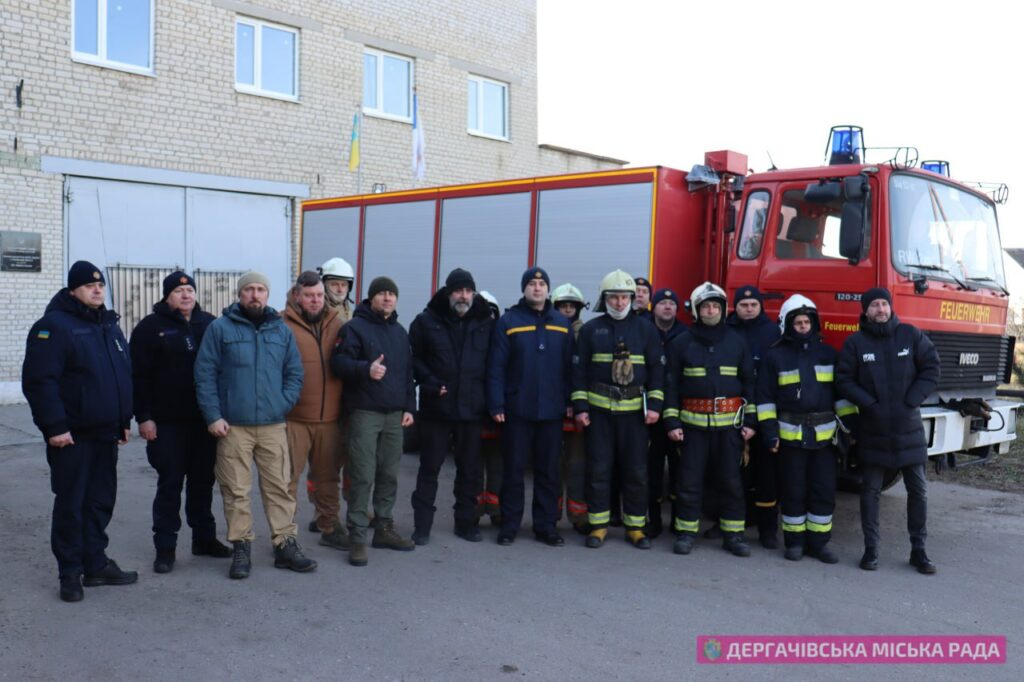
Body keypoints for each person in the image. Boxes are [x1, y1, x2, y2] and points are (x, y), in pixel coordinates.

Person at [23, 260, 138, 602]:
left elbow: (121, 377)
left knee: (100, 501)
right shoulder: (53, 327)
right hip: (71, 436)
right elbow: (40, 381)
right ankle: (70, 572)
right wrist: (55, 427)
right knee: (72, 503)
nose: (98, 289)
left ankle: (96, 564)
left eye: (101, 285)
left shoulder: (110, 327)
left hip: (105, 434)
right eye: (89, 285)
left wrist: (122, 421)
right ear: (73, 290)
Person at [194, 271, 316, 579]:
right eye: (249, 289)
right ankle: (241, 547)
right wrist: (213, 416)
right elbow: (205, 374)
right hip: (233, 427)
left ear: (268, 294)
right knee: (236, 490)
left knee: (280, 489)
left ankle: (285, 545)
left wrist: (282, 404)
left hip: (273, 425)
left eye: (261, 289)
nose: (255, 294)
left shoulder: (281, 330)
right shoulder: (219, 329)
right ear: (240, 293)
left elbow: (294, 373)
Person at [130, 271, 230, 575]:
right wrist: (144, 417)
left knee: (203, 483)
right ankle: (166, 547)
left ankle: (204, 538)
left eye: (190, 290)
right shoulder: (150, 328)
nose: (186, 295)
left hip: (204, 422)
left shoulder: (210, 324)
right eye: (178, 291)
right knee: (170, 484)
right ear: (166, 296)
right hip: (167, 423)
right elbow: (139, 377)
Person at [836, 287, 940, 574]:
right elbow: (843, 380)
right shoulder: (855, 343)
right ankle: (871, 550)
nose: (880, 309)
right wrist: (869, 404)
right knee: (870, 492)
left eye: (884, 304)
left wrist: (912, 400)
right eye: (874, 306)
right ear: (865, 311)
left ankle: (919, 551)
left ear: (890, 307)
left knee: (918, 492)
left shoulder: (911, 335)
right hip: (874, 431)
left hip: (909, 431)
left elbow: (931, 367)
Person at [757, 295, 853, 564]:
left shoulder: (828, 354)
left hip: (824, 440)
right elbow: (764, 399)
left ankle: (819, 544)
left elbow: (841, 396)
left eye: (806, 321)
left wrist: (850, 428)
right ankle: (795, 542)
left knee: (823, 491)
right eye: (797, 322)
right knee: (793, 491)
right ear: (787, 325)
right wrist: (770, 433)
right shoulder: (774, 356)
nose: (802, 326)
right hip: (790, 439)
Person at [663, 282, 757, 557]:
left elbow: (750, 383)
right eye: (705, 306)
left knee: (731, 481)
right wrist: (672, 422)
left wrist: (750, 422)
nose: (711, 310)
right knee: (689, 482)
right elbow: (671, 386)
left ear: (723, 309)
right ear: (696, 310)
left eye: (715, 306)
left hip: (729, 428)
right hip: (692, 428)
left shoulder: (737, 341)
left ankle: (733, 535)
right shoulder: (681, 342)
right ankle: (686, 533)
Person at [572, 270, 663, 549]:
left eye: (624, 297)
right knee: (599, 469)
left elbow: (657, 369)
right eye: (614, 297)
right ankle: (598, 525)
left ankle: (635, 527)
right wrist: (580, 407)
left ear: (633, 299)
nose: (620, 303)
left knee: (636, 471)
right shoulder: (590, 330)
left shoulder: (646, 329)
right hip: (599, 415)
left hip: (635, 415)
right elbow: (579, 372)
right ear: (605, 299)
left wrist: (656, 405)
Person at [331, 276, 417, 566]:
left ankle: (383, 529)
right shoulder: (354, 328)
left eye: (392, 294)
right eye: (381, 294)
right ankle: (357, 536)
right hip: (365, 412)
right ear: (371, 298)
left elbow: (408, 375)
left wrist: (409, 407)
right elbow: (339, 363)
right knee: (363, 474)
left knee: (389, 474)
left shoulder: (400, 333)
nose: (388, 298)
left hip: (394, 415)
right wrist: (365, 369)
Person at [487, 267, 573, 547]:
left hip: (551, 411)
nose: (537, 288)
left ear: (549, 290)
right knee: (513, 470)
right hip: (517, 411)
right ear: (523, 289)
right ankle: (509, 525)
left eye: (542, 284)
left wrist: (571, 401)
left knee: (549, 472)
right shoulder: (509, 321)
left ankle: (546, 527)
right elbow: (496, 366)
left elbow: (570, 369)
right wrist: (497, 402)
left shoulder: (562, 323)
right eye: (532, 284)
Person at [409, 268, 494, 545]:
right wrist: (430, 383)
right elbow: (415, 360)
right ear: (448, 293)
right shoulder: (425, 322)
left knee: (469, 471)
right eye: (458, 291)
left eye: (468, 291)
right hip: (438, 410)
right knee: (429, 468)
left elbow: (494, 365)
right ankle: (422, 526)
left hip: (471, 410)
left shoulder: (486, 322)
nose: (463, 296)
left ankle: (466, 523)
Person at [283, 272, 349, 553]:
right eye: (309, 295)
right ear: (297, 295)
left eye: (319, 295)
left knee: (327, 478)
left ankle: (330, 526)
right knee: (287, 479)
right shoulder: (281, 324)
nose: (315, 300)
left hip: (330, 418)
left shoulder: (339, 322)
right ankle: (283, 533)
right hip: (294, 418)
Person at [726, 285, 781, 548]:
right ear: (735, 307)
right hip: (732, 413)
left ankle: (767, 531)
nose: (748, 309)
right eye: (743, 305)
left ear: (761, 307)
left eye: (753, 305)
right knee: (732, 474)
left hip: (764, 410)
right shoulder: (726, 331)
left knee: (767, 475)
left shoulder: (772, 333)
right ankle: (728, 523)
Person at [646, 288, 687, 537]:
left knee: (680, 470)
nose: (668, 307)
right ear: (654, 307)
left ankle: (677, 520)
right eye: (662, 303)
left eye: (672, 303)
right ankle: (653, 521)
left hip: (677, 412)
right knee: (651, 469)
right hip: (648, 412)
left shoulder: (686, 334)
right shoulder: (644, 330)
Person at [552, 282, 590, 534]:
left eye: (571, 306)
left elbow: (583, 372)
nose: (567, 310)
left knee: (578, 464)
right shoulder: (549, 330)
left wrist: (577, 404)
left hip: (577, 408)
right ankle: (550, 515)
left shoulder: (586, 333)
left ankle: (578, 517)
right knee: (552, 464)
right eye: (562, 306)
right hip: (552, 408)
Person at [476, 291, 503, 526]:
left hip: (496, 413)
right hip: (473, 413)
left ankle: (495, 510)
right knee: (472, 466)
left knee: (497, 464)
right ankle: (474, 511)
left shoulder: (502, 339)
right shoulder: (469, 336)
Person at [320, 256, 355, 323]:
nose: (340, 290)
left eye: (344, 285)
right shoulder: (316, 313)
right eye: (334, 284)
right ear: (323, 286)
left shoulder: (353, 314)